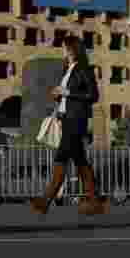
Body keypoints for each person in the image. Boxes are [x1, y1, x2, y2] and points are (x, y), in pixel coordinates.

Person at [29, 35, 108, 215]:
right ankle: (94, 201)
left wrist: (67, 92)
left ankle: (45, 200)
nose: (62, 50)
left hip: (77, 120)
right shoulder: (69, 69)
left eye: (64, 47)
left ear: (73, 49)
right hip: (66, 118)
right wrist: (59, 97)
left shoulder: (83, 68)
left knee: (61, 156)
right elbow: (69, 95)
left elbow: (93, 95)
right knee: (80, 161)